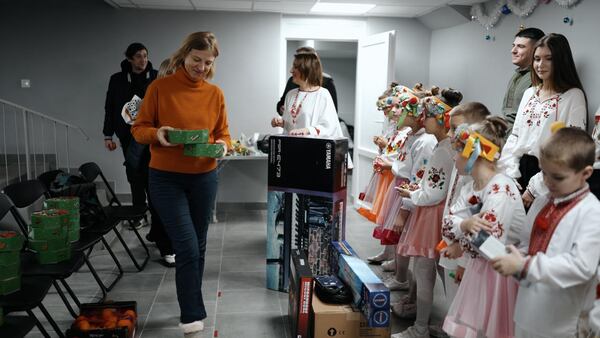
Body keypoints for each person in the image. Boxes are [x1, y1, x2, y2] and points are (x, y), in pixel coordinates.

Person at [131, 32, 230, 338]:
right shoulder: (160, 87)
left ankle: (192, 304)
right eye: (196, 59)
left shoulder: (215, 94)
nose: (201, 67)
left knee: (198, 246)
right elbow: (139, 129)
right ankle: (192, 312)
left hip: (204, 177)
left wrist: (223, 146)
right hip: (165, 178)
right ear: (185, 54)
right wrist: (157, 134)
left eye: (207, 62)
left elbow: (223, 133)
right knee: (186, 245)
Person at [492, 127, 600, 337]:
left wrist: (526, 265)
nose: (548, 182)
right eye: (544, 173)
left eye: (558, 177)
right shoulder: (543, 200)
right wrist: (513, 256)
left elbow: (581, 267)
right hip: (527, 309)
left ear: (586, 173)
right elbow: (527, 243)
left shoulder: (592, 212)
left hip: (560, 322)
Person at [441, 117, 526, 338]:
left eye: (457, 151)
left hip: (500, 273)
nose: (453, 156)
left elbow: (489, 241)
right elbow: (447, 225)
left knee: (491, 329)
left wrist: (461, 238)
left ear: (473, 153)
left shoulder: (500, 189)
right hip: (479, 269)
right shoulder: (470, 188)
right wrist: (465, 225)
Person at [391, 88, 462, 338]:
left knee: (425, 272)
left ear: (441, 119)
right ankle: (445, 325)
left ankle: (420, 327)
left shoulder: (443, 150)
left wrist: (413, 194)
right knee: (439, 271)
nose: (424, 120)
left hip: (431, 215)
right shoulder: (445, 146)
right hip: (435, 211)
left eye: (427, 116)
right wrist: (419, 189)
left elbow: (434, 192)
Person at [499, 33, 587, 205]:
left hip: (547, 176)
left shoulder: (573, 96)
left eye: (549, 58)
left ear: (561, 61)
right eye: (537, 59)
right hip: (518, 170)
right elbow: (515, 136)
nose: (540, 65)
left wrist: (534, 189)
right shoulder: (529, 93)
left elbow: (570, 150)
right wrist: (509, 174)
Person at [103, 42, 158, 211]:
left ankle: (156, 214)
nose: (143, 60)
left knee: (151, 173)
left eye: (145, 55)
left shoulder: (157, 77)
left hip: (151, 134)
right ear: (129, 59)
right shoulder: (117, 79)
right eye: (138, 56)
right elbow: (110, 107)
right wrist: (108, 135)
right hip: (127, 134)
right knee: (134, 174)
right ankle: (139, 213)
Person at [501, 27, 545, 134]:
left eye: (520, 46)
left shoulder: (541, 77)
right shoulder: (515, 75)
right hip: (504, 136)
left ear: (536, 50)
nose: (513, 51)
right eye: (513, 46)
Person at [276, 46, 338, 116]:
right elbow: (282, 103)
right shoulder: (292, 81)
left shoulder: (326, 84)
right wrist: (281, 109)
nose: (292, 70)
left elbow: (332, 114)